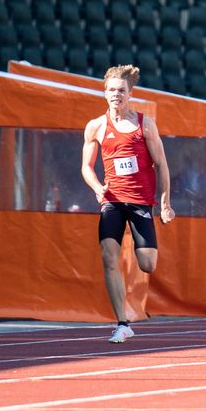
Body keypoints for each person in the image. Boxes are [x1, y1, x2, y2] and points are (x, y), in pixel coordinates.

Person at [79, 65, 174, 343]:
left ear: (130, 94)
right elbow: (85, 166)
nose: (116, 95)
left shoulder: (145, 124)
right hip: (111, 201)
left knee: (147, 264)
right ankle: (122, 322)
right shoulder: (95, 126)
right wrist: (98, 187)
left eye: (121, 90)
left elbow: (161, 165)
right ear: (104, 93)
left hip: (141, 201)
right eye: (111, 90)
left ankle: (140, 242)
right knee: (109, 257)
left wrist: (166, 202)